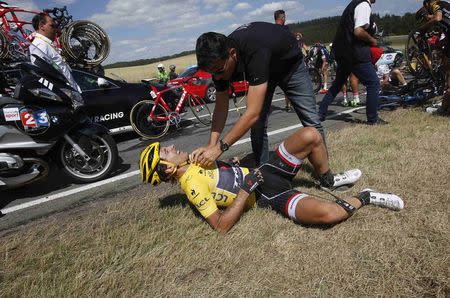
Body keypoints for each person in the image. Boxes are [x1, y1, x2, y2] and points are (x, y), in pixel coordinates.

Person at [139, 127, 403, 234]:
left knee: (310, 135)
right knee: (330, 213)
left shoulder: (194, 160)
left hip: (265, 170)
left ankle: (328, 180)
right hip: (266, 194)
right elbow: (221, 226)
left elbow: (220, 171)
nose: (171, 147)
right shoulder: (192, 188)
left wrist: (229, 163)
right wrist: (244, 190)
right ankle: (367, 196)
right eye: (165, 152)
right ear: (167, 170)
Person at [193, 23, 325, 166]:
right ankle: (263, 171)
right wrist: (211, 145)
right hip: (264, 70)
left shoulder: (254, 49)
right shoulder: (218, 64)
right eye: (212, 73)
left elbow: (252, 113)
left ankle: (324, 172)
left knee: (310, 119)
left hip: (289, 64)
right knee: (257, 127)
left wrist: (221, 147)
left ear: (232, 54)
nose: (217, 78)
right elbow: (220, 108)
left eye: (219, 71)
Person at [318, 0, 387, 125]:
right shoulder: (364, 5)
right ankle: (373, 118)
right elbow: (358, 31)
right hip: (355, 52)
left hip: (342, 51)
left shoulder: (353, 5)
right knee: (373, 83)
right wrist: (373, 41)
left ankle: (320, 113)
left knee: (337, 84)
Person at [30, 13, 79, 91]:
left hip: (70, 92)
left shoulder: (45, 43)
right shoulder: (39, 45)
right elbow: (42, 74)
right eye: (52, 26)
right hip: (65, 93)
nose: (55, 29)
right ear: (42, 26)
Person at [418, 0, 450, 115]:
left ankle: (442, 109)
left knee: (448, 72)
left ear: (427, 4)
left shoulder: (435, 4)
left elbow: (437, 18)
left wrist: (423, 28)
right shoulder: (446, 5)